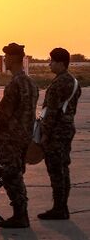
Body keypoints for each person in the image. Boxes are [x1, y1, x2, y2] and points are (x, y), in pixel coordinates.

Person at [0, 43, 39, 228]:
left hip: (12, 138)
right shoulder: (30, 82)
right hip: (25, 136)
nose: (5, 59)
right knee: (16, 174)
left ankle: (20, 215)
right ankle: (21, 213)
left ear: (13, 58)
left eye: (6, 56)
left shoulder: (15, 84)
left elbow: (4, 114)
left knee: (11, 176)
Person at [38, 47, 81, 220]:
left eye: (52, 61)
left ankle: (59, 208)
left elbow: (52, 111)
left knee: (56, 170)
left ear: (60, 63)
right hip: (66, 129)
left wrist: (44, 134)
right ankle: (62, 206)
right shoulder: (73, 81)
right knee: (63, 168)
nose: (49, 64)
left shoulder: (59, 83)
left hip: (56, 132)